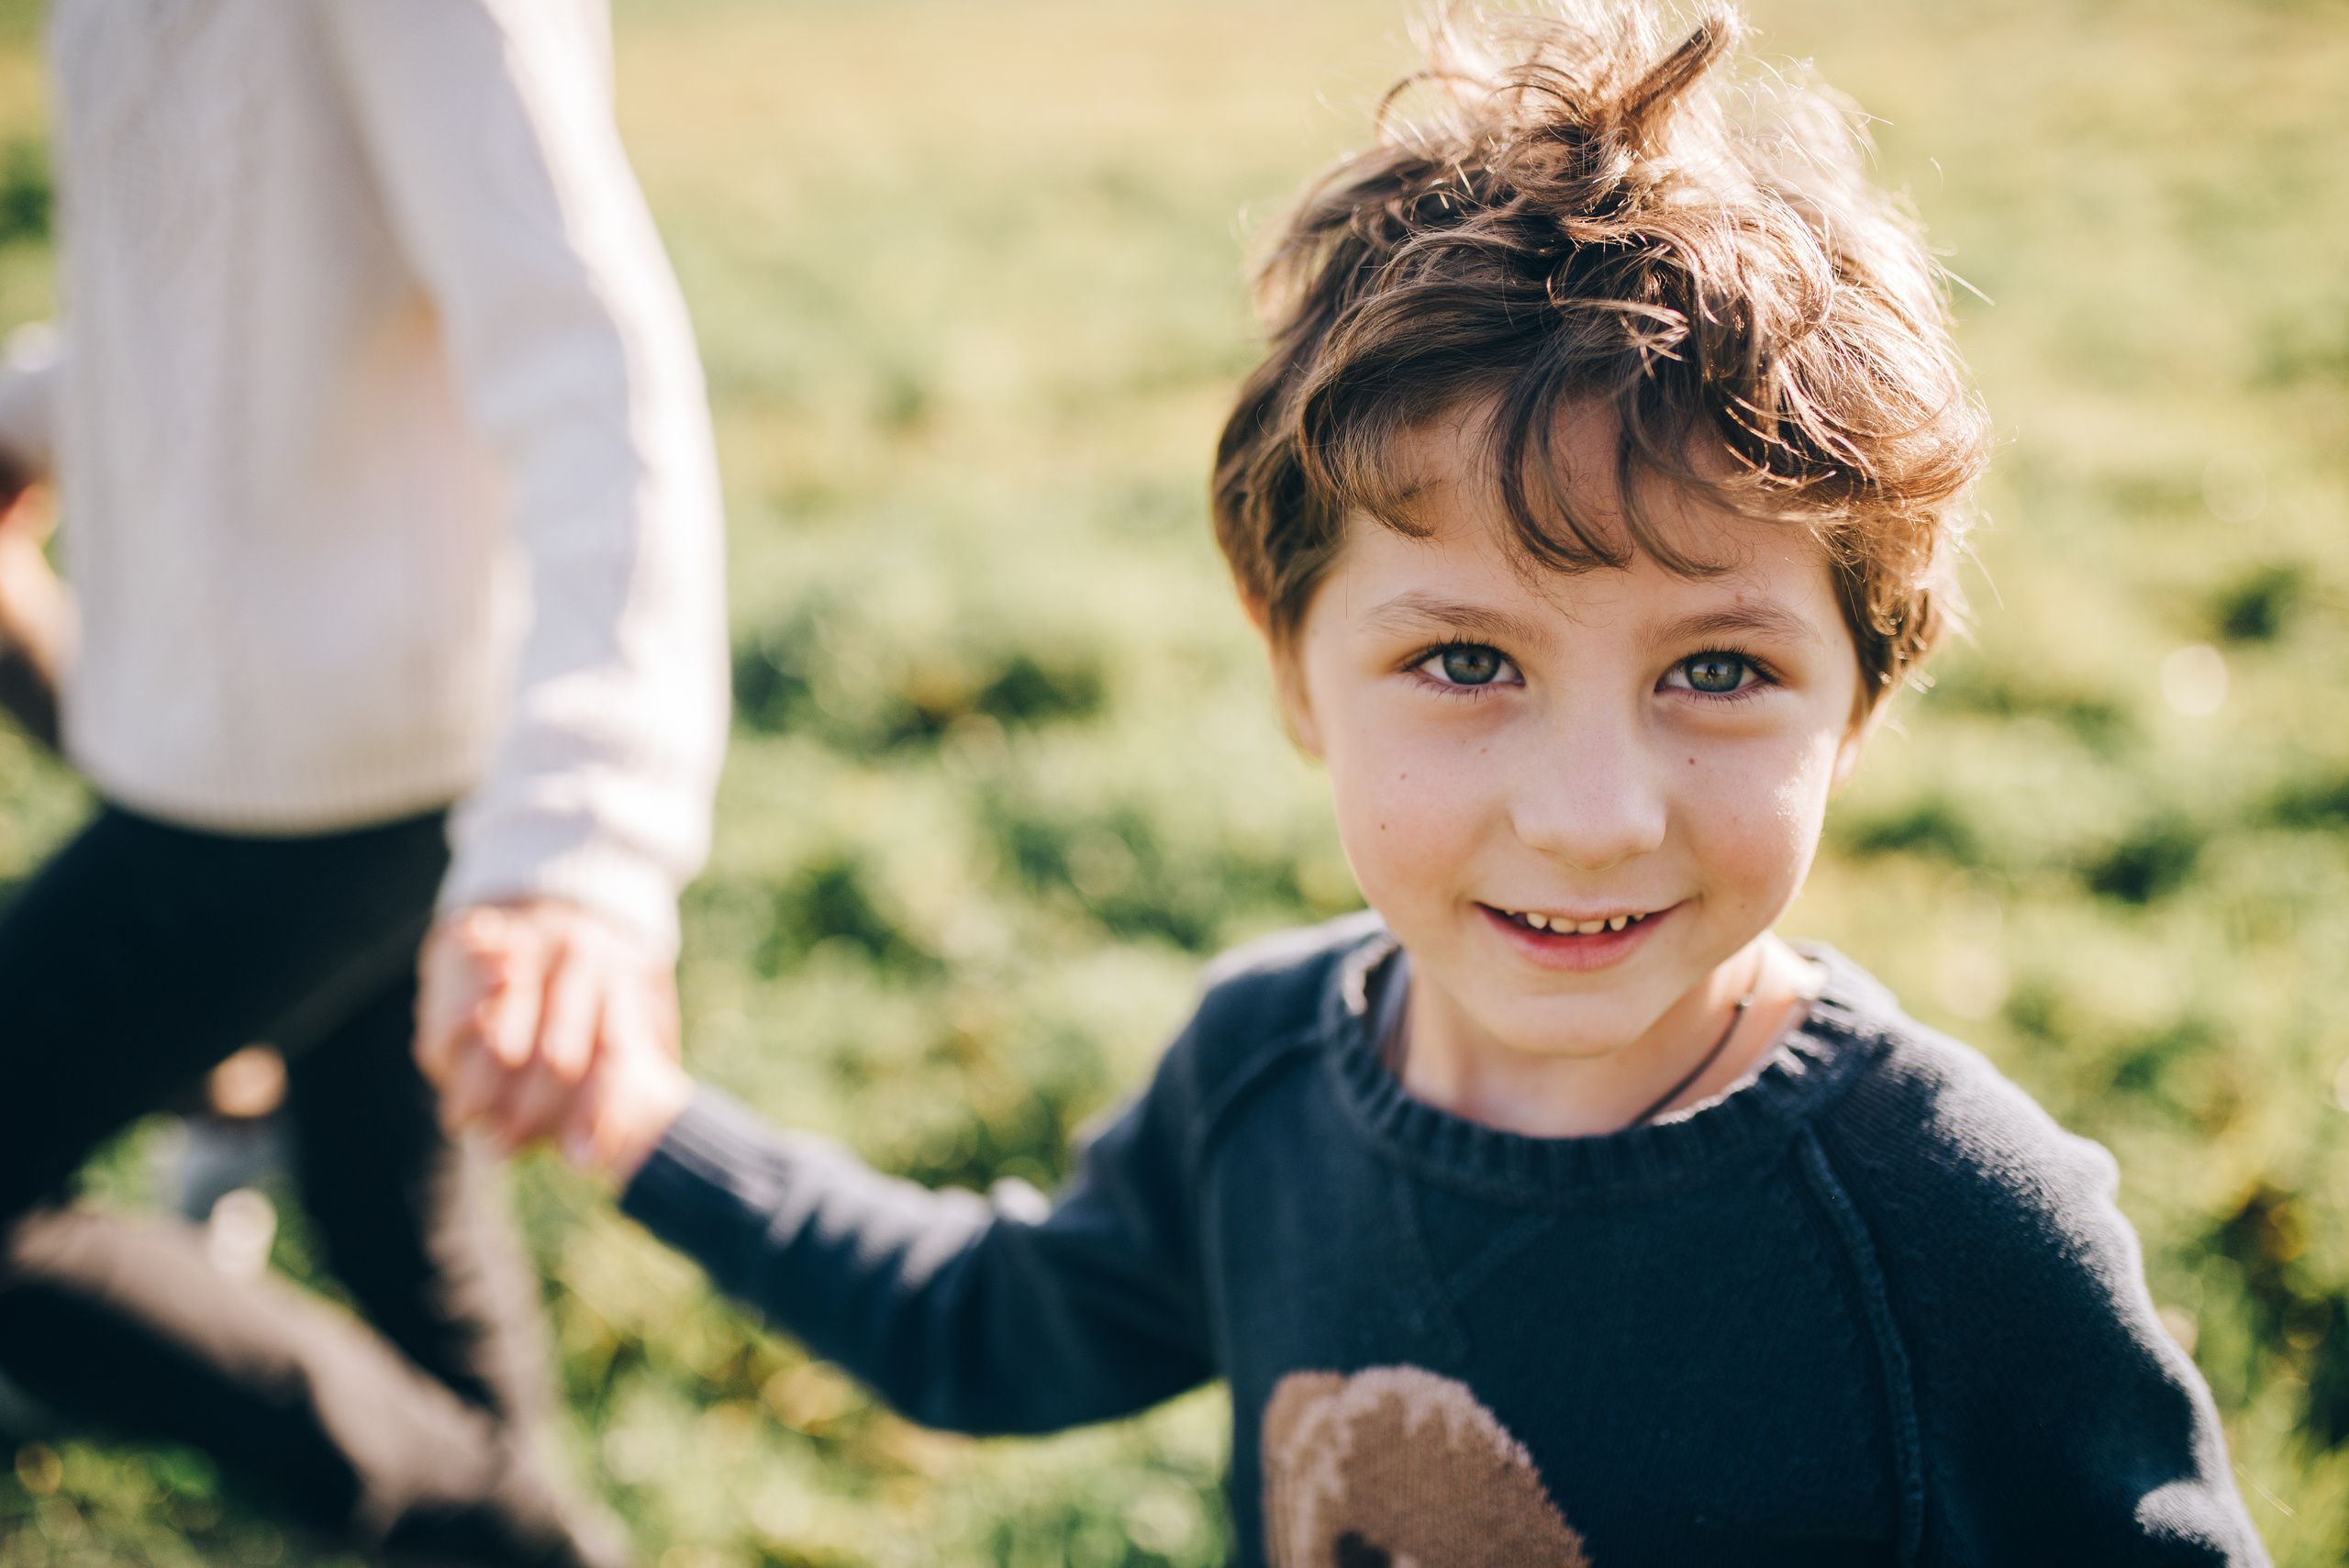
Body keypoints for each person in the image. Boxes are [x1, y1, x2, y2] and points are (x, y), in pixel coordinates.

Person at [444, 3, 2270, 1562]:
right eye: (1463, 662)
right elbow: (990, 1331)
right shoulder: (1256, 1076)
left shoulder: (1950, 1219)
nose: (1586, 812)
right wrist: (637, 1124)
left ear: (1859, 697)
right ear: (1288, 662)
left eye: (1713, 671)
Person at [0, 2, 727, 1563]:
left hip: (327, 774)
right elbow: (229, 290)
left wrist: (583, 847)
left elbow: (587, 354)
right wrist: (32, 414)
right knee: (397, 1215)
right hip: (259, 744)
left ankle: (508, 1536)